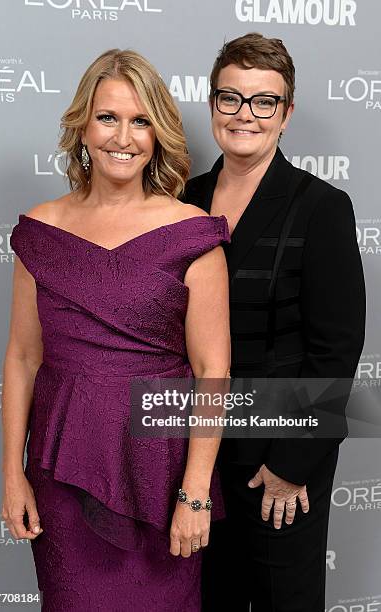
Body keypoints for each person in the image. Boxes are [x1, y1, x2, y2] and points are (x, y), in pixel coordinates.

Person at [1, 48, 231, 611]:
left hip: (161, 463)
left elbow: (212, 370)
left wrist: (195, 491)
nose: (122, 137)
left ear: (158, 135)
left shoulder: (192, 232)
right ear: (82, 125)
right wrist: (11, 475)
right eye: (107, 117)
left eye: (140, 120)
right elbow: (23, 358)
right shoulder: (40, 229)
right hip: (61, 465)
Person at [180, 33, 366, 611]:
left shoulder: (321, 206)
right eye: (231, 98)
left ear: (285, 114)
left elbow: (335, 351)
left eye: (264, 101)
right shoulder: (184, 202)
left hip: (280, 460)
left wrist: (290, 465)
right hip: (199, 453)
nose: (245, 115)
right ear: (213, 104)